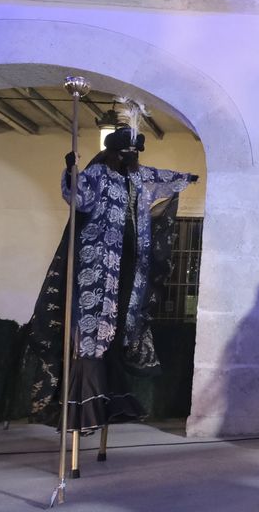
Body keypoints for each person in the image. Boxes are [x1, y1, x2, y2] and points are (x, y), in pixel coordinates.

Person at [27, 121, 196, 431]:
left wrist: (184, 178)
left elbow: (159, 178)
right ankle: (83, 407)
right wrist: (72, 172)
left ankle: (112, 399)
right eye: (128, 153)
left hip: (129, 263)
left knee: (118, 328)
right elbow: (78, 198)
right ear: (115, 153)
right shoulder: (98, 174)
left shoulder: (137, 177)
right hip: (99, 262)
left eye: (135, 154)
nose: (133, 159)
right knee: (93, 329)